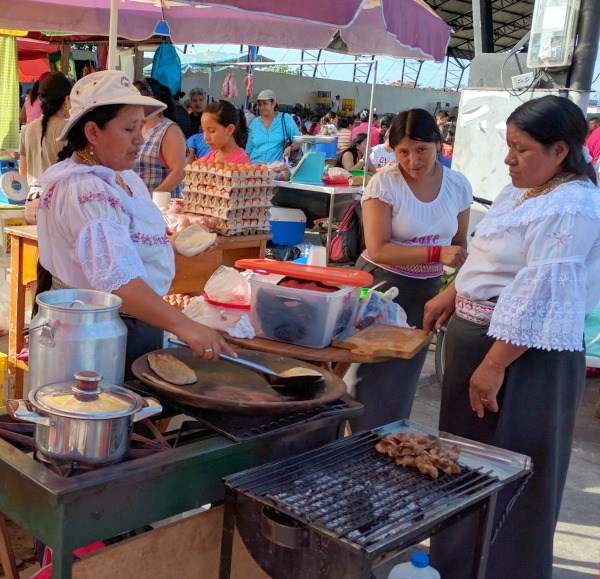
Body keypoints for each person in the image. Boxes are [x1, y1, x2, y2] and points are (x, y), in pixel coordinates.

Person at [422, 95, 599, 579]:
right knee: (463, 463)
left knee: (515, 467)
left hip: (525, 354)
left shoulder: (573, 205)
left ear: (560, 151)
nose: (508, 159)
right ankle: (456, 565)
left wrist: (495, 364)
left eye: (520, 149)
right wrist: (451, 295)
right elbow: (488, 260)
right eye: (508, 146)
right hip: (481, 340)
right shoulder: (520, 192)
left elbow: (542, 291)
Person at [35, 70, 235, 380]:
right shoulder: (85, 189)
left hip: (135, 322)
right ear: (92, 132)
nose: (140, 139)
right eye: (129, 128)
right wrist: (184, 325)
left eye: (140, 126)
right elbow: (117, 281)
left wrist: (177, 245)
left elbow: (124, 249)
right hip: (97, 338)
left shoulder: (123, 177)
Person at [348, 109, 471, 432]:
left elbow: (459, 243)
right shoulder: (384, 184)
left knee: (404, 374)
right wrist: (436, 252)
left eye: (421, 151)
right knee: (367, 373)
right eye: (403, 152)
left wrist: (450, 288)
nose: (412, 160)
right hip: (381, 288)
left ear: (439, 145)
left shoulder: (457, 185)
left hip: (427, 291)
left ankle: (387, 441)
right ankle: (352, 443)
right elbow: (379, 248)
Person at [133, 78, 187, 198]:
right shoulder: (137, 129)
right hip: (138, 204)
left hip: (161, 207)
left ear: (151, 99)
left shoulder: (169, 129)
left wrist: (151, 198)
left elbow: (179, 171)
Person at [19, 72, 72, 186]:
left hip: (33, 198)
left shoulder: (28, 128)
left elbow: (23, 170)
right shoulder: (69, 129)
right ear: (67, 99)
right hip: (59, 198)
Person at [246, 89, 301, 164]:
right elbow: (248, 150)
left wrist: (290, 148)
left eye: (265, 103)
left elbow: (298, 140)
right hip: (256, 169)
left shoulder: (285, 119)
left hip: (278, 169)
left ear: (274, 103)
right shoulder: (254, 123)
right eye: (260, 104)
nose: (262, 107)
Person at [200, 100, 251, 164]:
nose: (205, 137)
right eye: (203, 130)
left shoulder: (241, 162)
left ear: (229, 130)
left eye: (211, 131)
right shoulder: (210, 155)